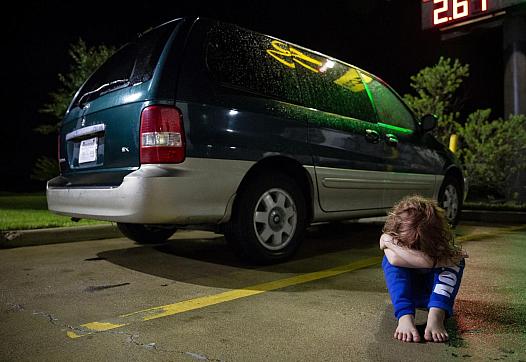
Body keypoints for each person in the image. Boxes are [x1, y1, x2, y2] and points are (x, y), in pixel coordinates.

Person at [380, 195, 467, 343]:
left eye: (422, 246)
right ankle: (405, 317)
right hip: (408, 296)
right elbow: (394, 259)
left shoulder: (390, 240)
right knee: (391, 262)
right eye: (412, 246)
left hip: (435, 298)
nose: (417, 249)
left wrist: (393, 244)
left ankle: (436, 316)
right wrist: (435, 261)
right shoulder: (389, 239)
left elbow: (456, 256)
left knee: (455, 263)